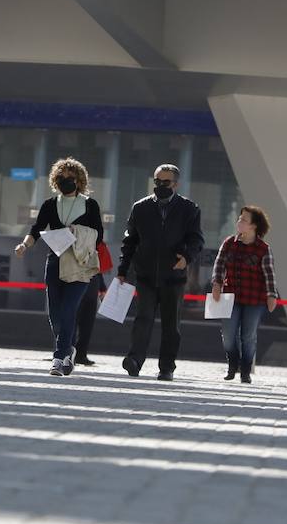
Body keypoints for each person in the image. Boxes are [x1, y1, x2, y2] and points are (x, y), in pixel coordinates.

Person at [14, 157, 103, 376]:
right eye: (61, 177)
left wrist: (78, 232)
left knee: (69, 309)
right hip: (54, 262)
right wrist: (24, 245)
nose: (66, 181)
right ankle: (68, 349)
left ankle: (59, 357)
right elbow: (36, 229)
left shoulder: (90, 205)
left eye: (70, 178)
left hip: (79, 264)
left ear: (79, 180)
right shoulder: (49, 204)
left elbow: (98, 236)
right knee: (55, 313)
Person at [117, 164, 205, 382]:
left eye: (165, 182)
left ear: (175, 184)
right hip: (145, 275)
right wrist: (122, 270)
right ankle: (134, 361)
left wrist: (186, 257)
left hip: (173, 277)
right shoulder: (141, 207)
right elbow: (130, 240)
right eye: (157, 182)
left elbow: (196, 240)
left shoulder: (189, 209)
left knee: (171, 325)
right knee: (142, 319)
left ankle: (167, 367)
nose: (160, 186)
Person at [210, 205, 279, 384]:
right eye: (239, 219)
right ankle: (233, 364)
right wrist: (217, 283)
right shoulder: (229, 243)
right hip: (230, 297)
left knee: (248, 336)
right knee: (228, 335)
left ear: (253, 226)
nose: (239, 222)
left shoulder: (263, 249)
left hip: (254, 299)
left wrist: (272, 295)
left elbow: (269, 274)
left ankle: (245, 371)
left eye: (244, 220)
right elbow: (219, 265)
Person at [72, 273, 107, 366]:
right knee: (72, 323)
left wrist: (102, 286)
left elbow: (97, 267)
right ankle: (69, 353)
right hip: (75, 283)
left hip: (92, 287)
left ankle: (81, 354)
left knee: (87, 325)